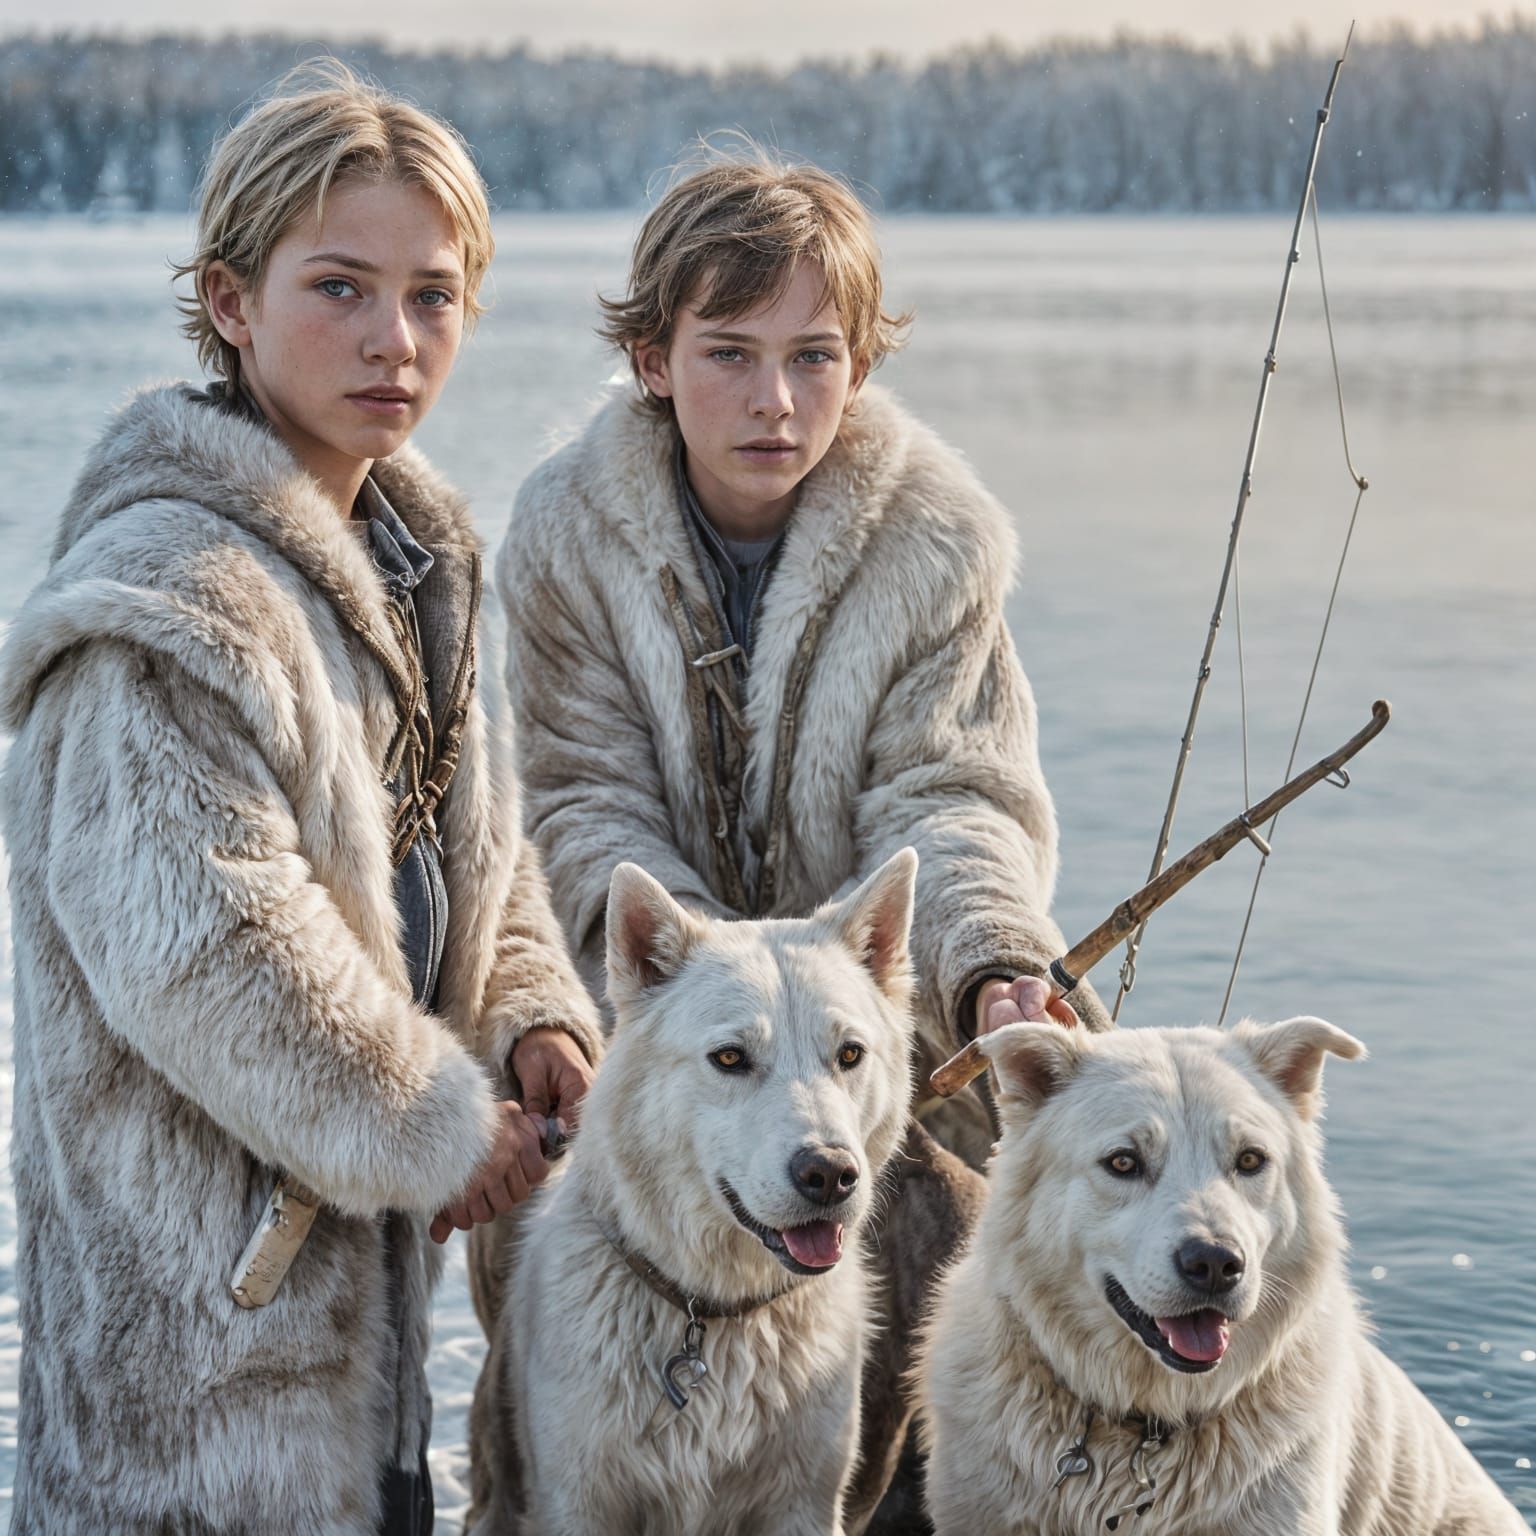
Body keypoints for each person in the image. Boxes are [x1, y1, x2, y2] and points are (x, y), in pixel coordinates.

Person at [1, 61, 600, 1536]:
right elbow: (213, 958)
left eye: (435, 296)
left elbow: (486, 855)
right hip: (193, 1409)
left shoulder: (421, 574)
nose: (395, 339)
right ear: (227, 301)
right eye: (340, 287)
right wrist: (446, 1131)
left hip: (365, 1369)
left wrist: (533, 1016)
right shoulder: (167, 610)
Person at [488, 145, 1109, 1530]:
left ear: (862, 360)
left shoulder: (935, 544)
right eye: (728, 352)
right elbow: (579, 804)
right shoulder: (564, 537)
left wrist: (999, 959)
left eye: (815, 354)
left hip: (872, 1038)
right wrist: (687, 989)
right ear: (652, 358)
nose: (775, 398)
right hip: (642, 1037)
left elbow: (949, 798)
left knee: (938, 1298)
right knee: (548, 1324)